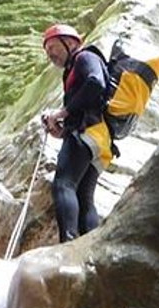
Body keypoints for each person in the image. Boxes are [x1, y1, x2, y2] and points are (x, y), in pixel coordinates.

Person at [41, 24, 113, 243]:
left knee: (63, 184)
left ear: (70, 43)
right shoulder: (73, 69)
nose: (50, 54)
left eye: (53, 46)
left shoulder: (85, 57)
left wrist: (62, 112)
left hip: (87, 134)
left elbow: (95, 83)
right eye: (47, 51)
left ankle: (68, 243)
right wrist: (61, 132)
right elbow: (88, 105)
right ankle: (90, 246)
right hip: (99, 139)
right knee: (83, 195)